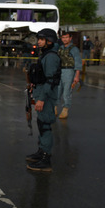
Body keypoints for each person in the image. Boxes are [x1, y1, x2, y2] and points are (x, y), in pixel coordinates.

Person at [26, 28, 61, 172]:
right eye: (38, 39)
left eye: (41, 39)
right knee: (41, 123)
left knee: (45, 125)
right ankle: (41, 151)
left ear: (49, 41)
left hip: (46, 96)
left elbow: (51, 80)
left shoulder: (51, 56)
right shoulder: (46, 55)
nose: (39, 42)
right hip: (41, 93)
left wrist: (41, 99)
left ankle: (46, 159)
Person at [56, 31, 81, 119]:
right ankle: (55, 107)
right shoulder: (61, 48)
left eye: (66, 37)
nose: (65, 39)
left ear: (70, 38)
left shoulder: (74, 49)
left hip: (69, 71)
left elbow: (78, 62)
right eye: (63, 37)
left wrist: (77, 75)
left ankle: (65, 109)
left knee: (67, 91)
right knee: (57, 89)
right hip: (60, 71)